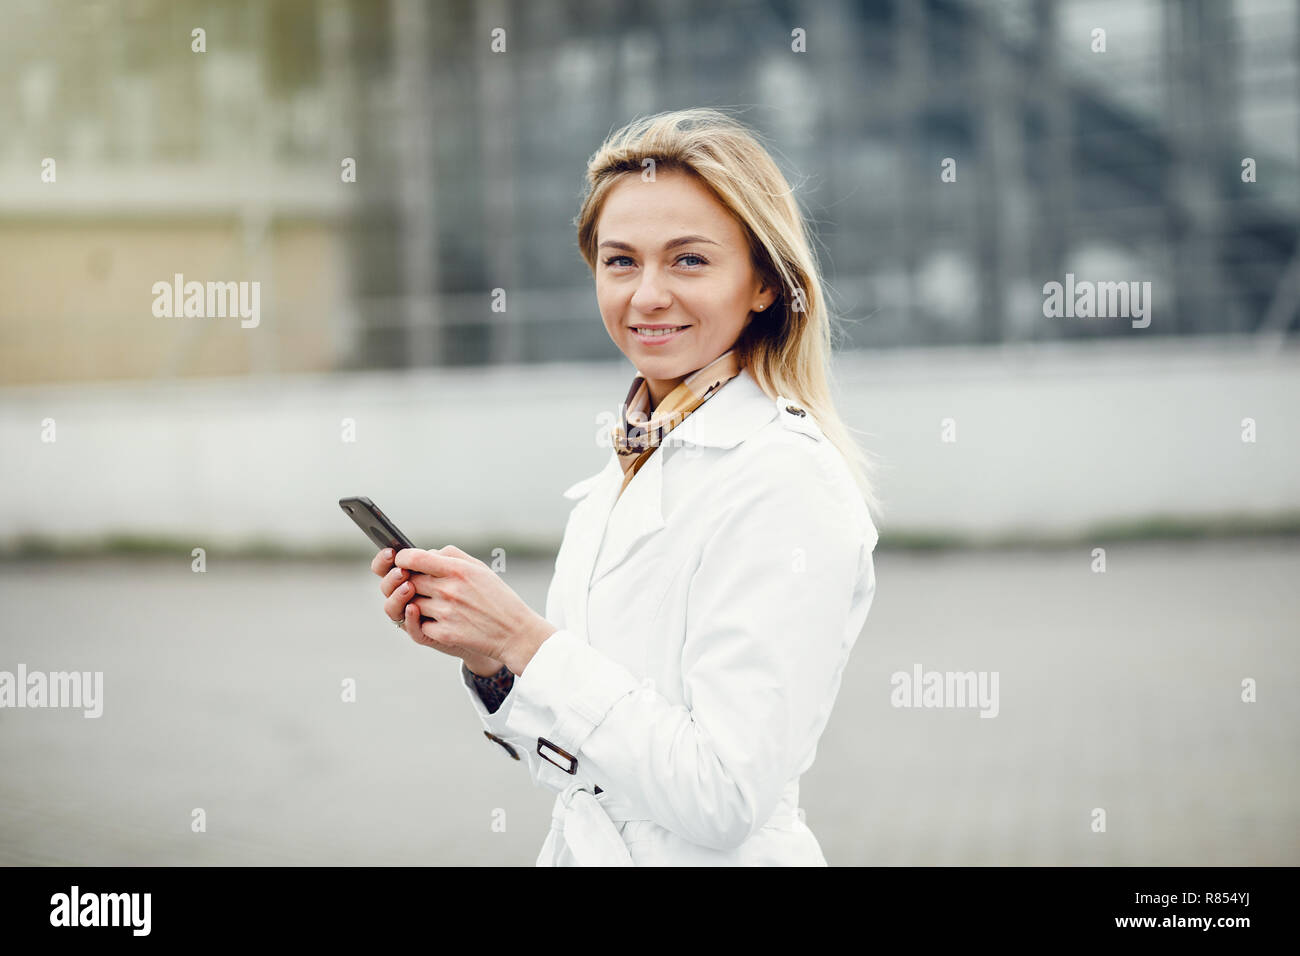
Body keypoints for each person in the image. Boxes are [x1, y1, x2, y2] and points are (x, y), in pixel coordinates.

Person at [369, 107, 881, 865]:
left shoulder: (786, 481)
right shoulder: (631, 459)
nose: (646, 295)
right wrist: (494, 663)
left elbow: (723, 796)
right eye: (620, 261)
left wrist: (524, 639)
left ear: (765, 284)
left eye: (689, 261)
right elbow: (584, 770)